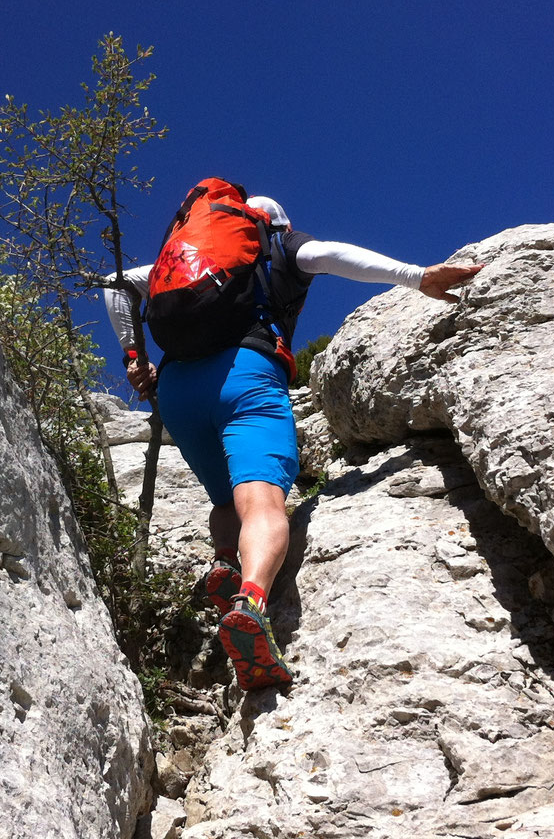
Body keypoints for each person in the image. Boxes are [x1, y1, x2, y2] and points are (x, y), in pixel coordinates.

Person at [103, 187, 481, 690]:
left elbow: (113, 283)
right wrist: (417, 277)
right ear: (273, 225)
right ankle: (251, 602)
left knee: (224, 498)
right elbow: (332, 256)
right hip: (246, 373)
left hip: (177, 391)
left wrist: (134, 358)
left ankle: (224, 564)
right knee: (261, 499)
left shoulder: (184, 259)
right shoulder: (280, 246)